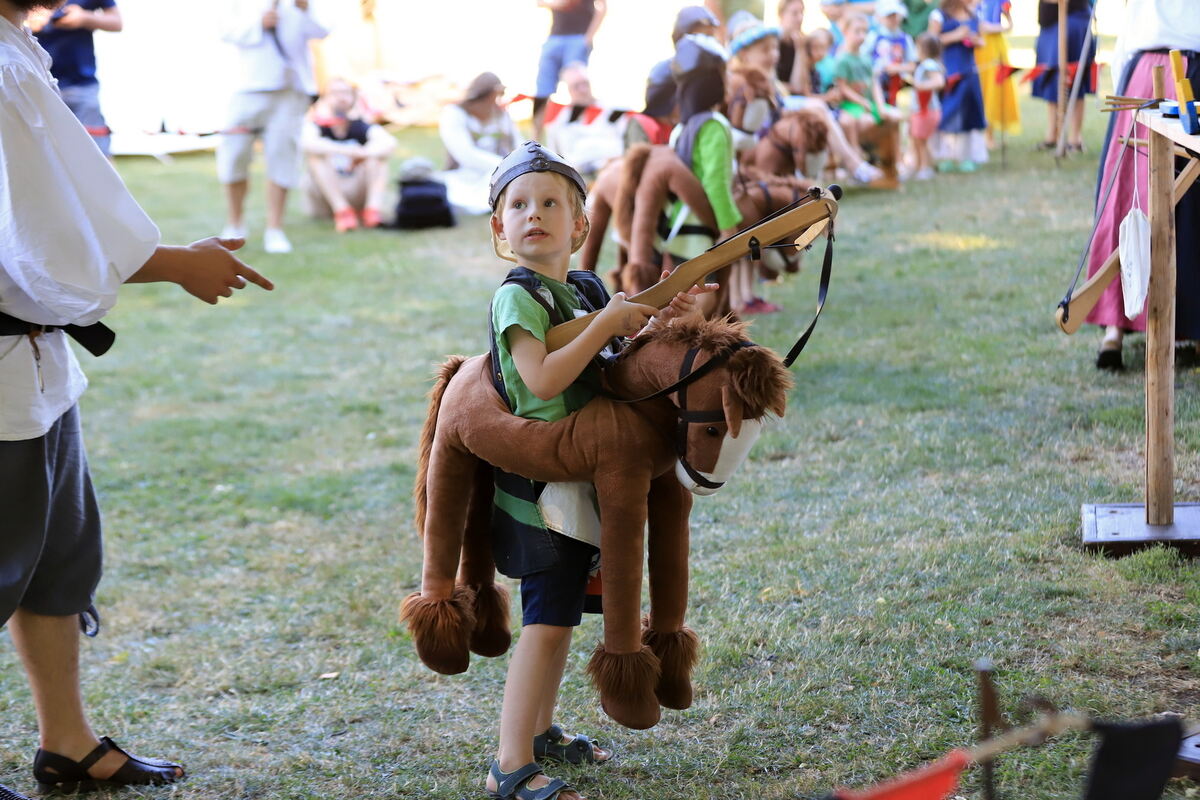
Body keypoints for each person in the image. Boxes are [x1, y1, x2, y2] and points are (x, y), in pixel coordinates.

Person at [0, 2, 274, 799]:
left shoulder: (18, 42)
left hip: (33, 365)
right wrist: (173, 264)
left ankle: (68, 744)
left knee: (57, 555)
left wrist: (171, 254)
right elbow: (39, 240)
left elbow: (63, 201)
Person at [483, 141, 709, 800]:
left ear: (580, 224)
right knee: (545, 623)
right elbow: (544, 375)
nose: (535, 215)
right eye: (518, 205)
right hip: (541, 491)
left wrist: (662, 319)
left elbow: (615, 358)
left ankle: (542, 732)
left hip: (590, 484)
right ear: (500, 228)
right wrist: (605, 319)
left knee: (562, 620)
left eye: (552, 202)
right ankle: (509, 766)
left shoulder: (583, 287)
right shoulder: (518, 300)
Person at [1082, 0, 1200, 369]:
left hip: (1146, 70)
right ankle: (1119, 327)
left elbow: (1127, 39)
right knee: (1136, 198)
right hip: (1183, 73)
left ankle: (1114, 330)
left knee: (1141, 198)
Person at [216, 0, 330, 254]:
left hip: (290, 92)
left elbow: (323, 31)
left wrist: (305, 8)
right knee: (234, 156)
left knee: (282, 158)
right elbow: (223, 30)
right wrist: (259, 24)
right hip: (243, 89)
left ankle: (275, 228)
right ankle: (235, 223)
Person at [300, 76, 396, 232]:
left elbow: (389, 143)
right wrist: (345, 150)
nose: (341, 97)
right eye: (335, 93)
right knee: (316, 157)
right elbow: (306, 143)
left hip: (355, 185)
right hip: (325, 194)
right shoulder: (315, 126)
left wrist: (363, 154)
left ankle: (372, 210)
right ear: (325, 98)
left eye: (345, 93)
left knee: (378, 158)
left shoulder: (361, 127)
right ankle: (342, 211)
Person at [27, 0, 120, 158]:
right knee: (38, 154)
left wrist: (85, 17)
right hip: (33, 83)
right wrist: (24, 22)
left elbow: (116, 22)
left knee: (96, 154)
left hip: (81, 84)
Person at [439, 71, 520, 215]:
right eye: (491, 98)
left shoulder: (501, 115)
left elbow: (518, 143)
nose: (494, 103)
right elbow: (466, 155)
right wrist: (504, 167)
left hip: (499, 174)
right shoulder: (454, 114)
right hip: (463, 176)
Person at [532, 0, 606, 140]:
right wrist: (557, 4)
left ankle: (583, 136)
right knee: (542, 91)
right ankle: (533, 143)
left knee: (578, 86)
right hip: (554, 38)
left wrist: (589, 37)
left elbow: (603, 7)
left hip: (578, 38)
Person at [831, 12, 902, 156]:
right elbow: (842, 87)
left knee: (895, 116)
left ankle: (894, 158)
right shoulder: (842, 59)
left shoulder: (866, 58)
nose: (862, 36)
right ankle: (857, 155)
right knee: (864, 122)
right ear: (845, 31)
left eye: (865, 32)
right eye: (857, 31)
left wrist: (880, 106)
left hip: (869, 104)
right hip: (851, 105)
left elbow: (874, 83)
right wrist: (862, 102)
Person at [928, 0, 987, 172]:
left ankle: (966, 155)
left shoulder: (973, 15)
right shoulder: (939, 15)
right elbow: (931, 41)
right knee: (948, 113)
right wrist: (956, 35)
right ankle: (944, 155)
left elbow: (981, 38)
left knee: (969, 113)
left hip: (969, 70)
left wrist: (976, 41)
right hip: (949, 72)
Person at [1032, 0, 1095, 152]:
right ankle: (1052, 134)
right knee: (1051, 77)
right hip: (1049, 21)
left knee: (1074, 79)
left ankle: (1075, 138)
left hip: (1072, 18)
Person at [543, 62, 623, 174]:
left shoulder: (613, 111)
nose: (583, 90)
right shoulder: (557, 122)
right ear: (567, 89)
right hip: (578, 180)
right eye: (576, 86)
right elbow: (554, 158)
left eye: (585, 84)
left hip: (615, 170)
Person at [975, 0, 1020, 145]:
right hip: (977, 45)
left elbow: (1009, 24)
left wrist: (994, 28)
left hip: (994, 47)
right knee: (979, 88)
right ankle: (977, 133)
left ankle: (989, 133)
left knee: (994, 90)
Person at [906, 32, 945, 179]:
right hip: (921, 110)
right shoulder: (926, 65)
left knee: (920, 140)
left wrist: (920, 85)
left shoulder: (929, 64)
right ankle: (919, 166)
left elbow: (939, 82)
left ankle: (924, 167)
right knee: (916, 139)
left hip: (926, 110)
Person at [864, 0, 916, 106]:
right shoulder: (874, 36)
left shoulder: (905, 38)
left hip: (898, 85)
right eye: (889, 16)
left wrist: (897, 68)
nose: (893, 19)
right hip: (876, 84)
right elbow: (863, 57)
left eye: (895, 15)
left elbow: (912, 65)